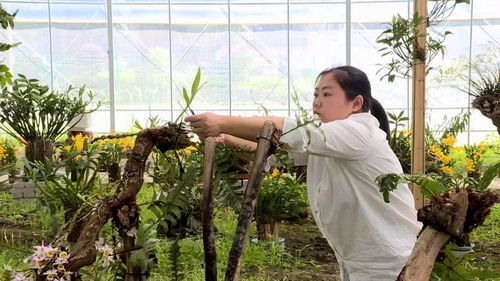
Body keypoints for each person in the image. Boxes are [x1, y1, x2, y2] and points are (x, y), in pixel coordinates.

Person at [186, 66, 421, 281]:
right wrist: (224, 138)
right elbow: (271, 154)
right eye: (316, 95)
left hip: (387, 263)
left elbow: (292, 131)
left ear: (356, 103)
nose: (316, 103)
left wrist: (222, 122)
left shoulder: (358, 132)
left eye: (327, 95)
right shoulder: (330, 141)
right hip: (360, 258)